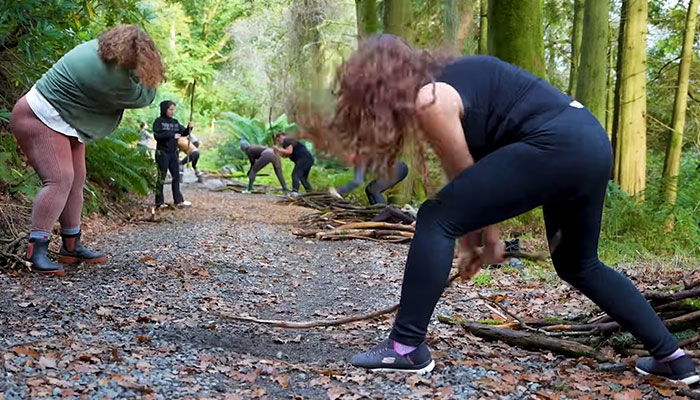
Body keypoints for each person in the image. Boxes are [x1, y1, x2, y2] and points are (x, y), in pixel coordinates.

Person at [303, 34, 699, 383]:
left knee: (435, 216)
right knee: (578, 264)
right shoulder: (459, 77)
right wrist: (482, 239)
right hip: (590, 143)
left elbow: (462, 180)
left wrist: (481, 241)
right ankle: (673, 358)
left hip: (557, 144)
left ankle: (405, 348)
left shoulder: (430, 99)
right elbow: (476, 185)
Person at [9, 25, 163, 276]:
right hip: (38, 115)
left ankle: (71, 246)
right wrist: (146, 79)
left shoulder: (97, 49)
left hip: (67, 119)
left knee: (77, 179)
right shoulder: (111, 77)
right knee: (60, 179)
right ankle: (35, 252)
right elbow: (144, 97)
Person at [153, 100, 193, 208]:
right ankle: (159, 202)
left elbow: (183, 132)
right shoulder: (159, 122)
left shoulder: (175, 122)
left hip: (173, 153)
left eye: (173, 110)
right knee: (161, 177)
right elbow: (157, 136)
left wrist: (189, 128)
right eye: (170, 109)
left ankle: (178, 200)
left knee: (176, 176)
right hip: (162, 153)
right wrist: (171, 135)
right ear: (164, 109)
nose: (172, 112)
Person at [330, 161, 409, 205]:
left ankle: (384, 215)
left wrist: (338, 192)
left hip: (397, 168)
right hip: (398, 168)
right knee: (370, 189)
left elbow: (357, 181)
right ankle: (377, 213)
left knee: (375, 189)